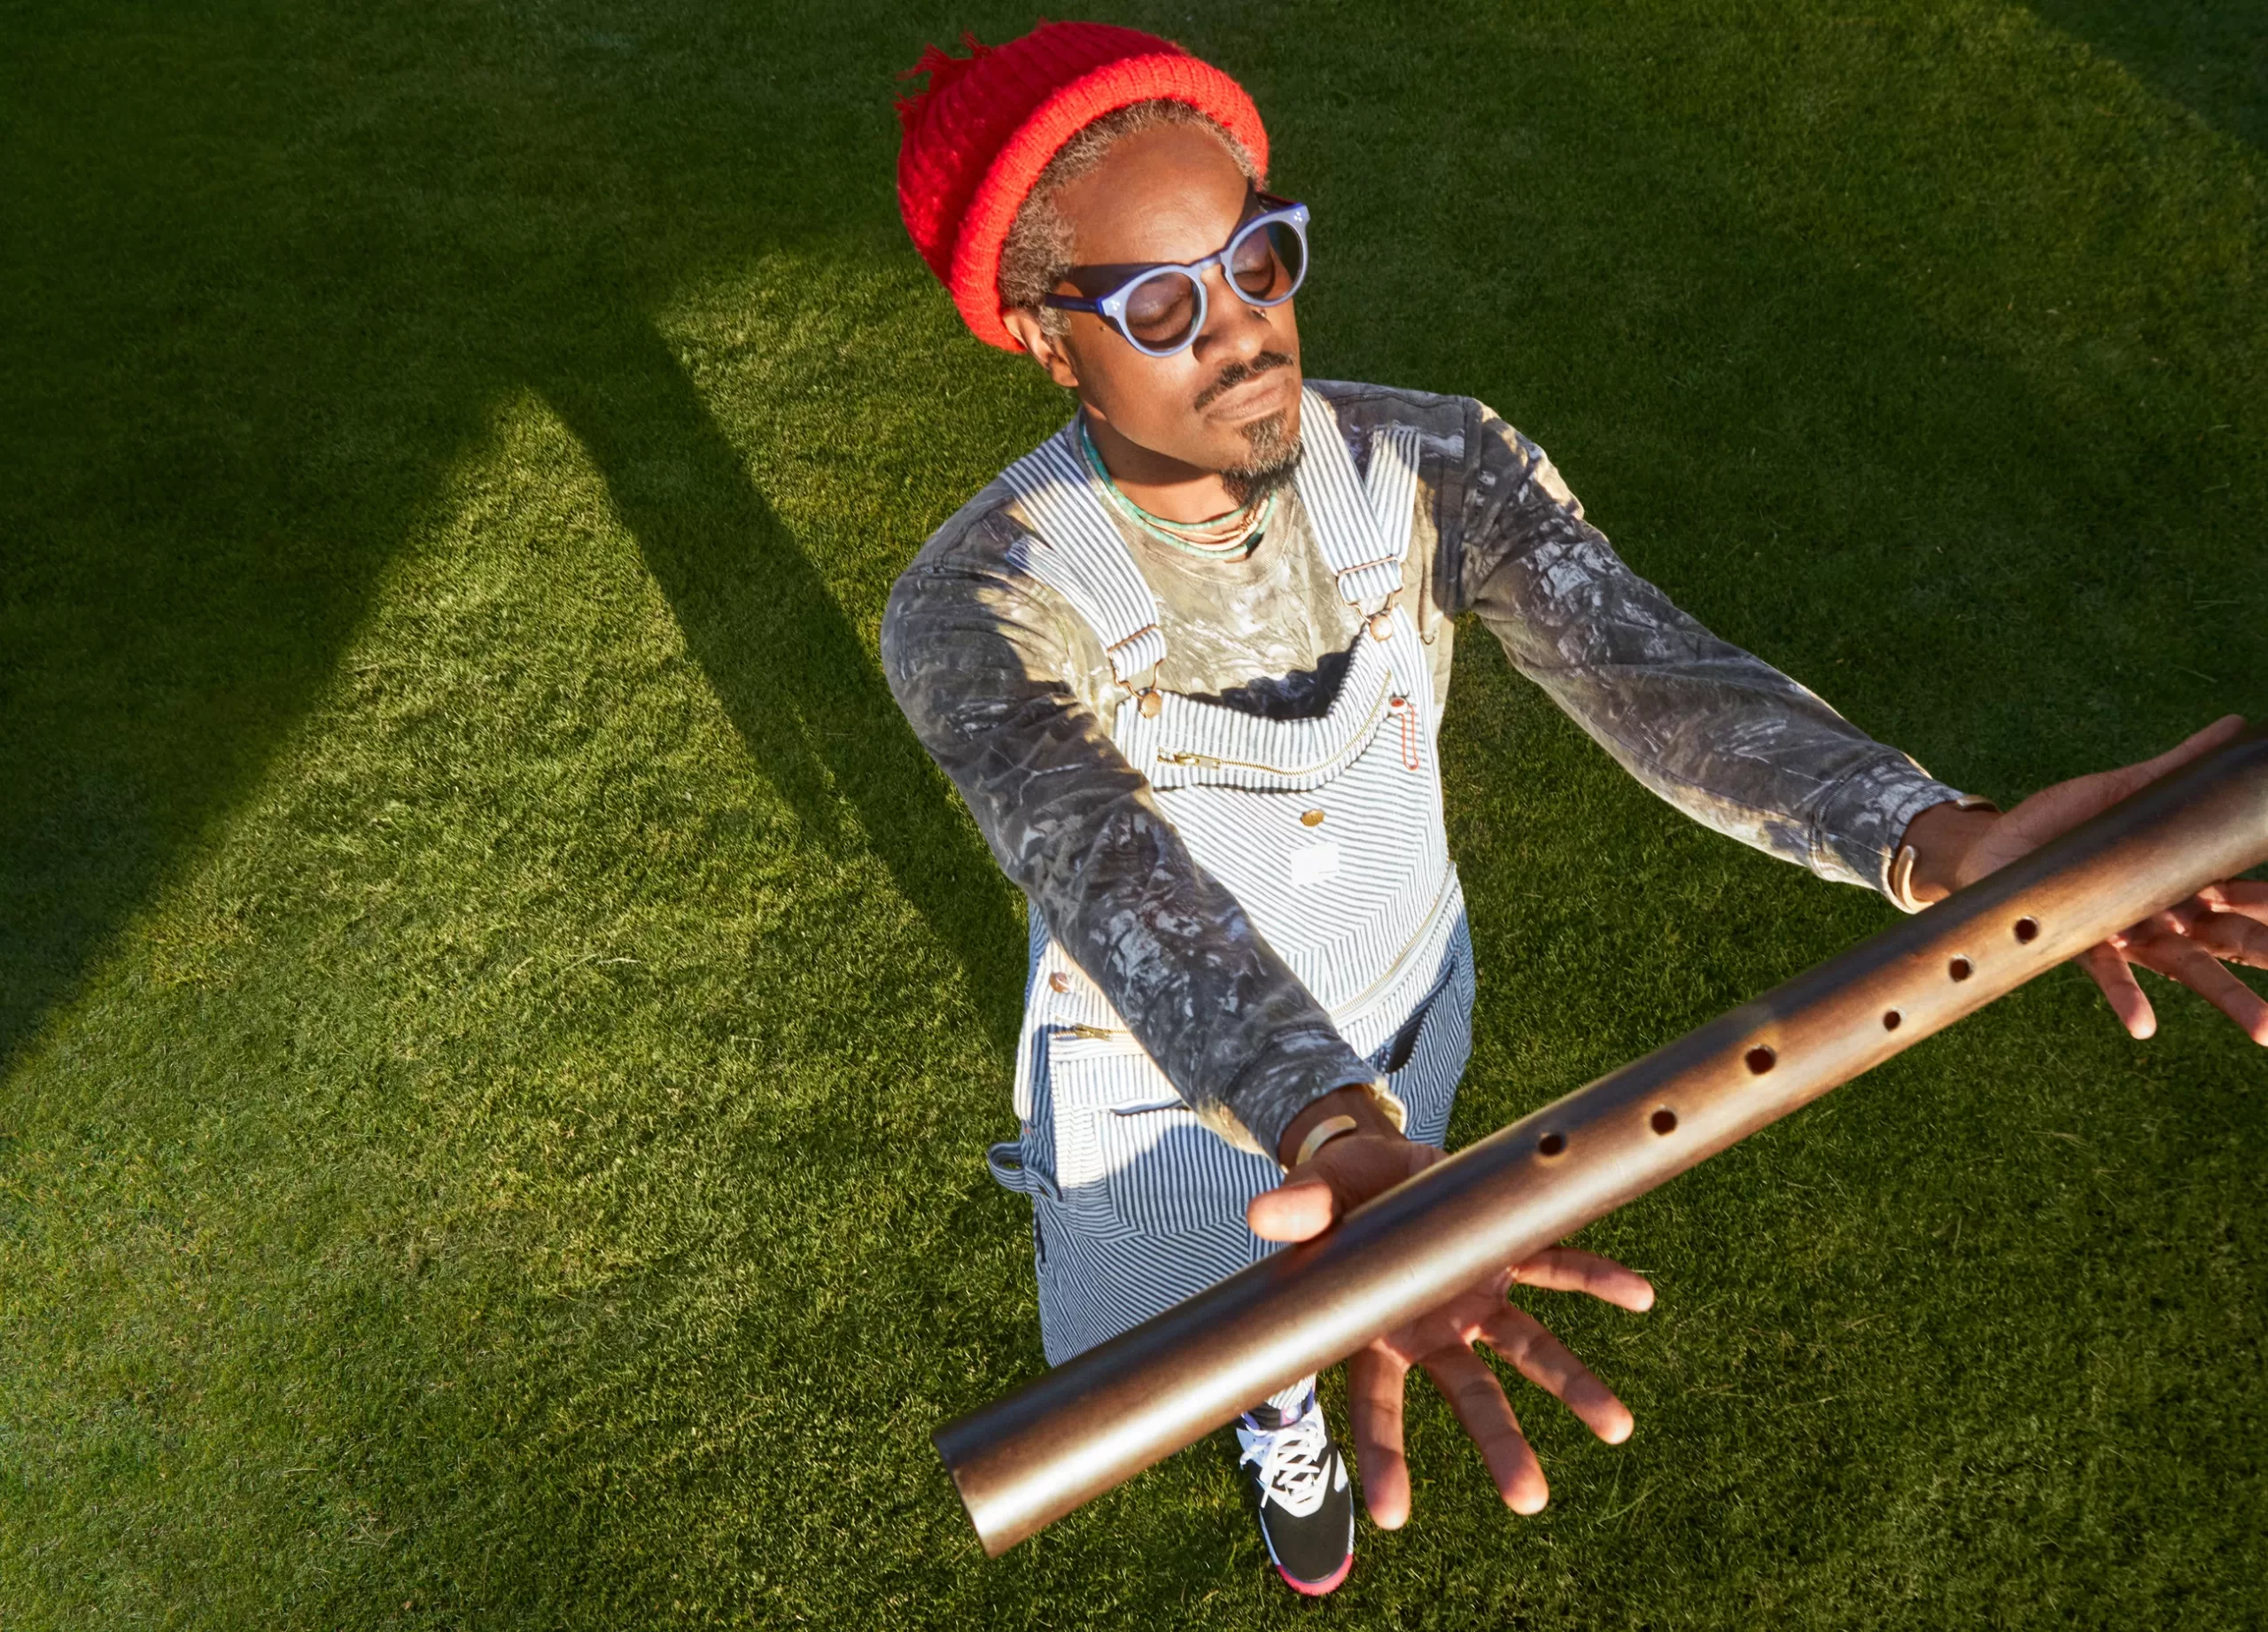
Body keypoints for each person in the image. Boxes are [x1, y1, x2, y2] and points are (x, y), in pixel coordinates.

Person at [881, 21, 2267, 1597]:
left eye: (1259, 260)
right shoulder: (980, 602)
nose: (1246, 330)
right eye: (1161, 303)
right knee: (1214, 1297)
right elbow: (1116, 878)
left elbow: (1658, 677)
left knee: (1351, 1242)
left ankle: (1309, 1335)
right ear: (1045, 337)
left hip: (1407, 999)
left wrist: (1939, 838)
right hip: (1155, 1098)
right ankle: (1281, 1392)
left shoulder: (1435, 460)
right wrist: (1328, 1130)